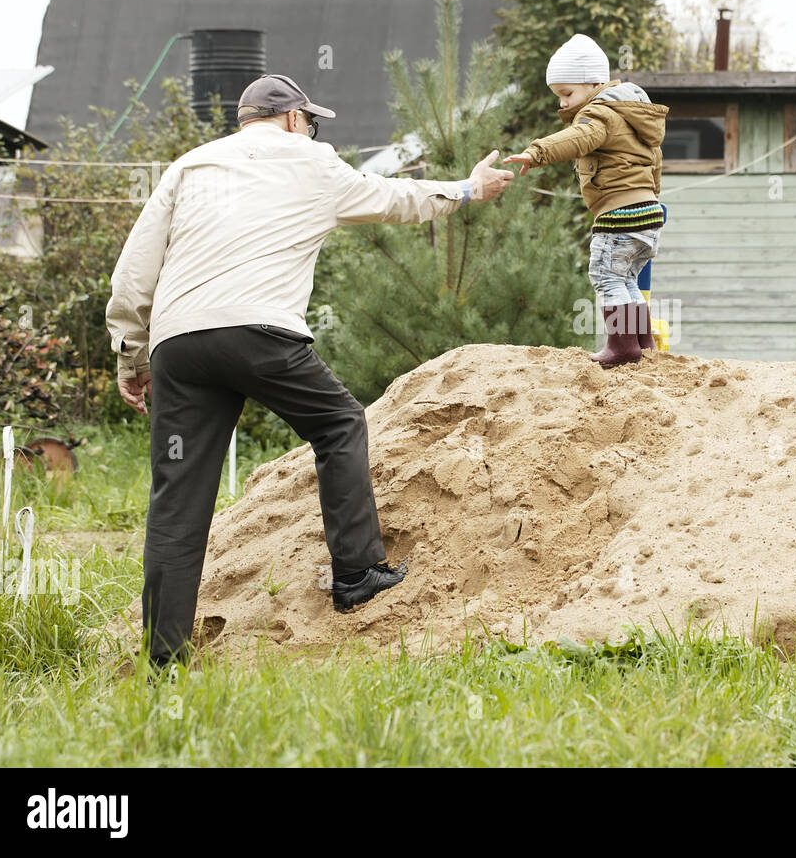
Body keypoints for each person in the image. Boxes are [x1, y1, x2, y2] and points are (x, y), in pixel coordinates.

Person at [105, 73, 513, 668]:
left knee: (177, 499)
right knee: (339, 424)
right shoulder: (312, 160)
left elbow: (135, 271)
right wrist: (469, 190)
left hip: (180, 347)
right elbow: (396, 199)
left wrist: (131, 354)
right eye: (311, 121)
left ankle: (163, 660)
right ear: (295, 119)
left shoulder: (189, 166)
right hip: (260, 332)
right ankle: (356, 573)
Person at [502, 34, 668, 367]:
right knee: (626, 279)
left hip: (620, 213)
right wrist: (651, 199)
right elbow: (655, 162)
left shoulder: (600, 114)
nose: (562, 104)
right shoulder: (634, 114)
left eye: (567, 94)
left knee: (606, 276)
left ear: (594, 84)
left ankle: (622, 347)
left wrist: (536, 153)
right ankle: (641, 342)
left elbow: (579, 138)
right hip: (648, 211)